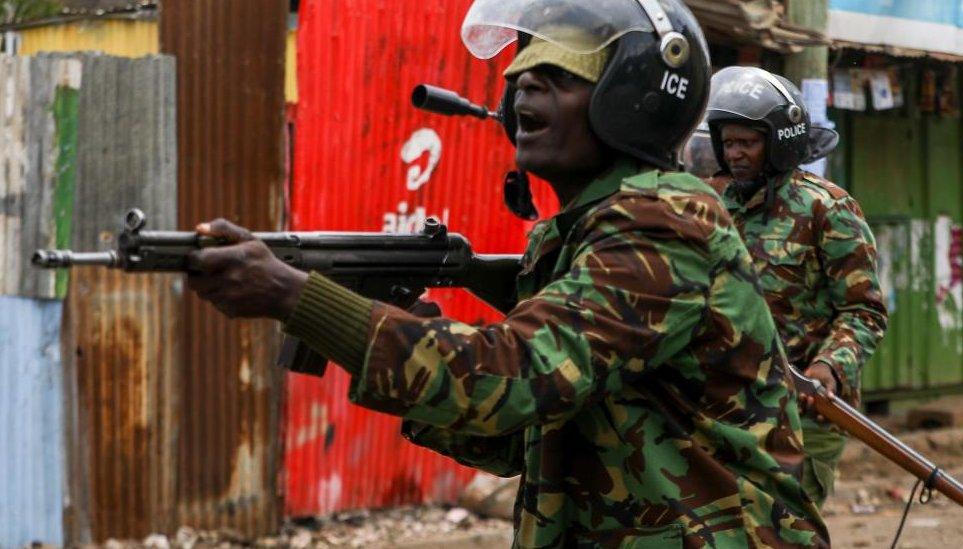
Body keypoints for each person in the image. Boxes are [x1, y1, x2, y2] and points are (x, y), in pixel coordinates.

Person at [187, 2, 828, 546]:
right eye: (519, 74)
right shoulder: (578, 231)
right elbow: (516, 434)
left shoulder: (665, 220)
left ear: (631, 101)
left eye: (556, 75)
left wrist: (294, 296)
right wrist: (403, 334)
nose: (522, 86)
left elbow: (513, 377)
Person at [706, 66, 888, 509]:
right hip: (727, 408)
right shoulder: (710, 204)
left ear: (777, 142)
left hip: (807, 410)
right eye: (728, 143)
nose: (736, 155)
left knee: (787, 527)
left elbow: (864, 312)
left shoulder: (827, 208)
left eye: (747, 143)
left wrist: (830, 365)